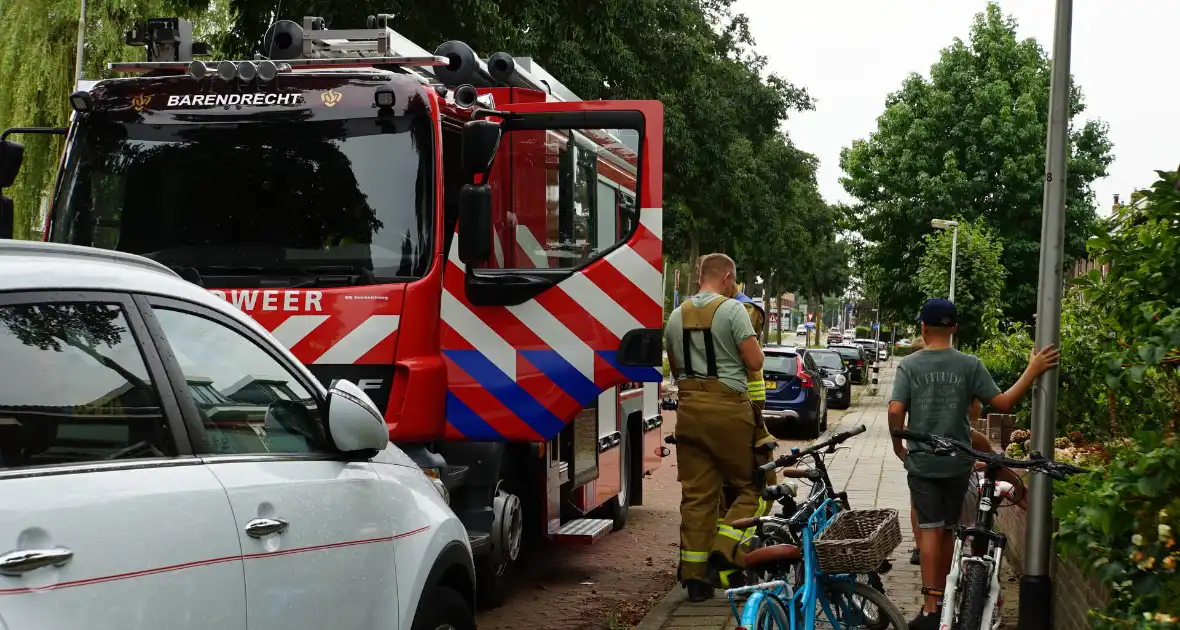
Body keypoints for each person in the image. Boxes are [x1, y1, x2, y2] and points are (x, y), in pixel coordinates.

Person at [888, 297, 1058, 630]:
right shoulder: (970, 364)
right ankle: (949, 595)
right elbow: (1004, 403)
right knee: (949, 529)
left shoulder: (909, 365)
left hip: (923, 462)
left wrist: (900, 447)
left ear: (923, 328)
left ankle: (931, 606)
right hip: (957, 464)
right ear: (954, 329)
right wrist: (1033, 369)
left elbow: (895, 411)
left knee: (929, 530)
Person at [664, 253, 765, 602]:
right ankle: (725, 550)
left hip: (689, 413)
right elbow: (755, 361)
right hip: (728, 413)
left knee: (697, 497)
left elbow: (676, 369)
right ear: (727, 278)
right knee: (757, 485)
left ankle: (694, 580)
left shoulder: (675, 316)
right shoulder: (734, 310)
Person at [714, 281, 775, 588]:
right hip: (742, 416)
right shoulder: (743, 310)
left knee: (717, 496)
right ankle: (729, 555)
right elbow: (753, 366)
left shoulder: (691, 313)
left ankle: (719, 570)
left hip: (708, 416)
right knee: (762, 486)